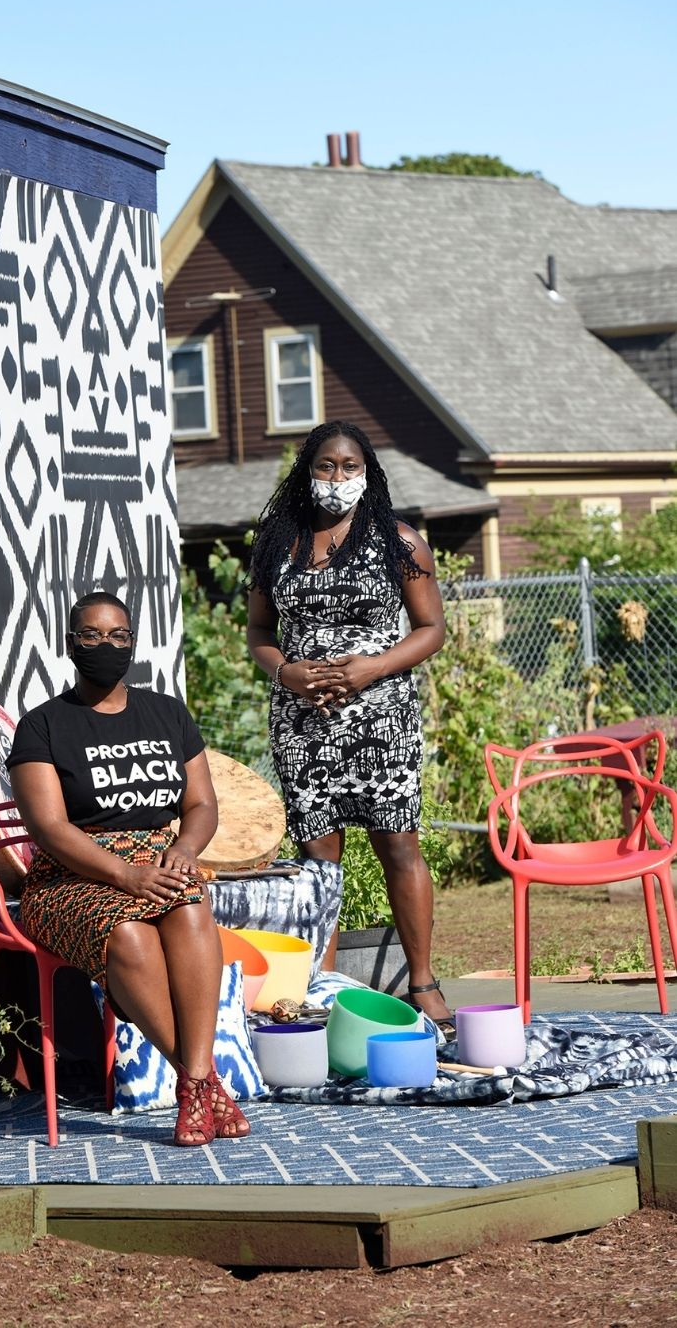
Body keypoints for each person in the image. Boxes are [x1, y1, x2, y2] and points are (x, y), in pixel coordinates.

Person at [6, 591, 250, 1147]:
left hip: (158, 862)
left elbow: (201, 805)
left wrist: (184, 850)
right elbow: (49, 829)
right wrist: (124, 874)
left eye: (118, 635)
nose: (105, 645)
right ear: (71, 644)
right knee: (132, 937)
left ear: (133, 643)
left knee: (191, 909)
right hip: (71, 876)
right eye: (91, 635)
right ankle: (204, 1083)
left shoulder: (166, 712)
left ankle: (191, 1086)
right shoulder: (43, 726)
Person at [246, 421, 453, 1033]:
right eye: (326, 466)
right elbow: (259, 634)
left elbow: (431, 629)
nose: (338, 478)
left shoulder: (399, 542)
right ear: (307, 470)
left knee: (398, 844)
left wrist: (372, 669)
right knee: (319, 860)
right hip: (304, 722)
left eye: (349, 466)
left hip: (381, 715)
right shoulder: (276, 543)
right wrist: (287, 672)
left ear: (369, 473)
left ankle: (423, 983)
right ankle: (324, 991)